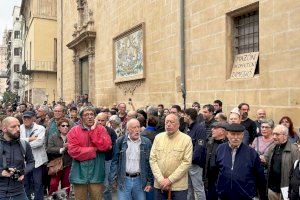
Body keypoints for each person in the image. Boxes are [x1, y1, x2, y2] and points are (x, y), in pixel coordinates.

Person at [67, 106, 112, 200]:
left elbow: (105, 146)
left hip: (97, 172)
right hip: (79, 174)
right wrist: (94, 150)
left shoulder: (101, 129)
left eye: (92, 114)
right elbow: (74, 151)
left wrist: (93, 130)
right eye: (86, 115)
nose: (90, 117)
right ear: (81, 117)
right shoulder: (74, 131)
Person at [215, 123, 267, 200]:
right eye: (233, 134)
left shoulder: (251, 153)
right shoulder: (220, 149)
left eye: (238, 134)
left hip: (245, 196)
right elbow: (216, 171)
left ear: (242, 135)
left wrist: (261, 196)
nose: (236, 137)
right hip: (224, 196)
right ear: (227, 134)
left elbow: (260, 177)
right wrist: (219, 191)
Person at [150, 114, 192, 200]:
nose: (168, 124)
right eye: (166, 122)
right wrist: (161, 179)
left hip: (178, 187)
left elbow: (186, 163)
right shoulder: (158, 137)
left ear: (178, 125)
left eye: (172, 122)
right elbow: (152, 159)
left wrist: (170, 180)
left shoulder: (186, 139)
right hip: (160, 185)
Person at [109, 119, 153, 200]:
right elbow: (115, 162)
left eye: (138, 127)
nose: (137, 130)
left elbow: (149, 164)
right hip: (124, 180)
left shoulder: (146, 142)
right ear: (128, 129)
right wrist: (113, 180)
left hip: (140, 180)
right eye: (133, 127)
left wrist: (149, 182)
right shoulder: (120, 141)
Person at [0, 117, 35, 200]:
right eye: (13, 127)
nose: (18, 129)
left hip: (19, 192)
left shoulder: (24, 144)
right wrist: (1, 172)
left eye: (18, 126)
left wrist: (23, 172)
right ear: (4, 129)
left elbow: (31, 162)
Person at [263, 125, 299, 200]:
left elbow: (297, 171)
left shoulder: (294, 150)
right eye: (273, 134)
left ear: (285, 136)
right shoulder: (272, 147)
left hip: (285, 191)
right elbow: (267, 163)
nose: (274, 137)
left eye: (277, 134)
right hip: (272, 190)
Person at [20, 111, 48, 200]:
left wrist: (23, 142)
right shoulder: (19, 128)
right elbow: (17, 142)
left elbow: (39, 143)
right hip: (24, 161)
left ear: (33, 119)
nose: (26, 119)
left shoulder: (40, 128)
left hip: (37, 161)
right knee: (25, 183)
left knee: (38, 183)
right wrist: (30, 139)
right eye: (24, 118)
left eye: (28, 118)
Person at [183, 108, 207, 200]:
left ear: (188, 116)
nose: (183, 117)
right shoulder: (187, 127)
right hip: (187, 163)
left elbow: (199, 147)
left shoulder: (199, 128)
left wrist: (191, 160)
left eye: (184, 115)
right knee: (189, 188)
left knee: (198, 188)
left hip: (195, 164)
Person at [46, 118, 72, 196]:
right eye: (63, 125)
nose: (65, 127)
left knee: (66, 185)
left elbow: (76, 148)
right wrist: (61, 149)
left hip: (68, 164)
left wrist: (70, 147)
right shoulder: (53, 136)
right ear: (58, 127)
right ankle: (52, 197)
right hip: (56, 165)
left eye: (67, 126)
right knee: (53, 184)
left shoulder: (72, 136)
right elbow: (49, 149)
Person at [95, 113, 117, 200]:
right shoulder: (92, 130)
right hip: (95, 160)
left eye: (102, 120)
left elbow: (114, 146)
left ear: (106, 121)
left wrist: (109, 147)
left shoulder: (111, 131)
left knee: (106, 183)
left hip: (107, 160)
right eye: (98, 120)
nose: (100, 122)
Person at [204, 122, 228, 200]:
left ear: (222, 131)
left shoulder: (228, 144)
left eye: (215, 128)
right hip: (210, 178)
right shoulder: (209, 141)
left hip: (222, 178)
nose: (212, 130)